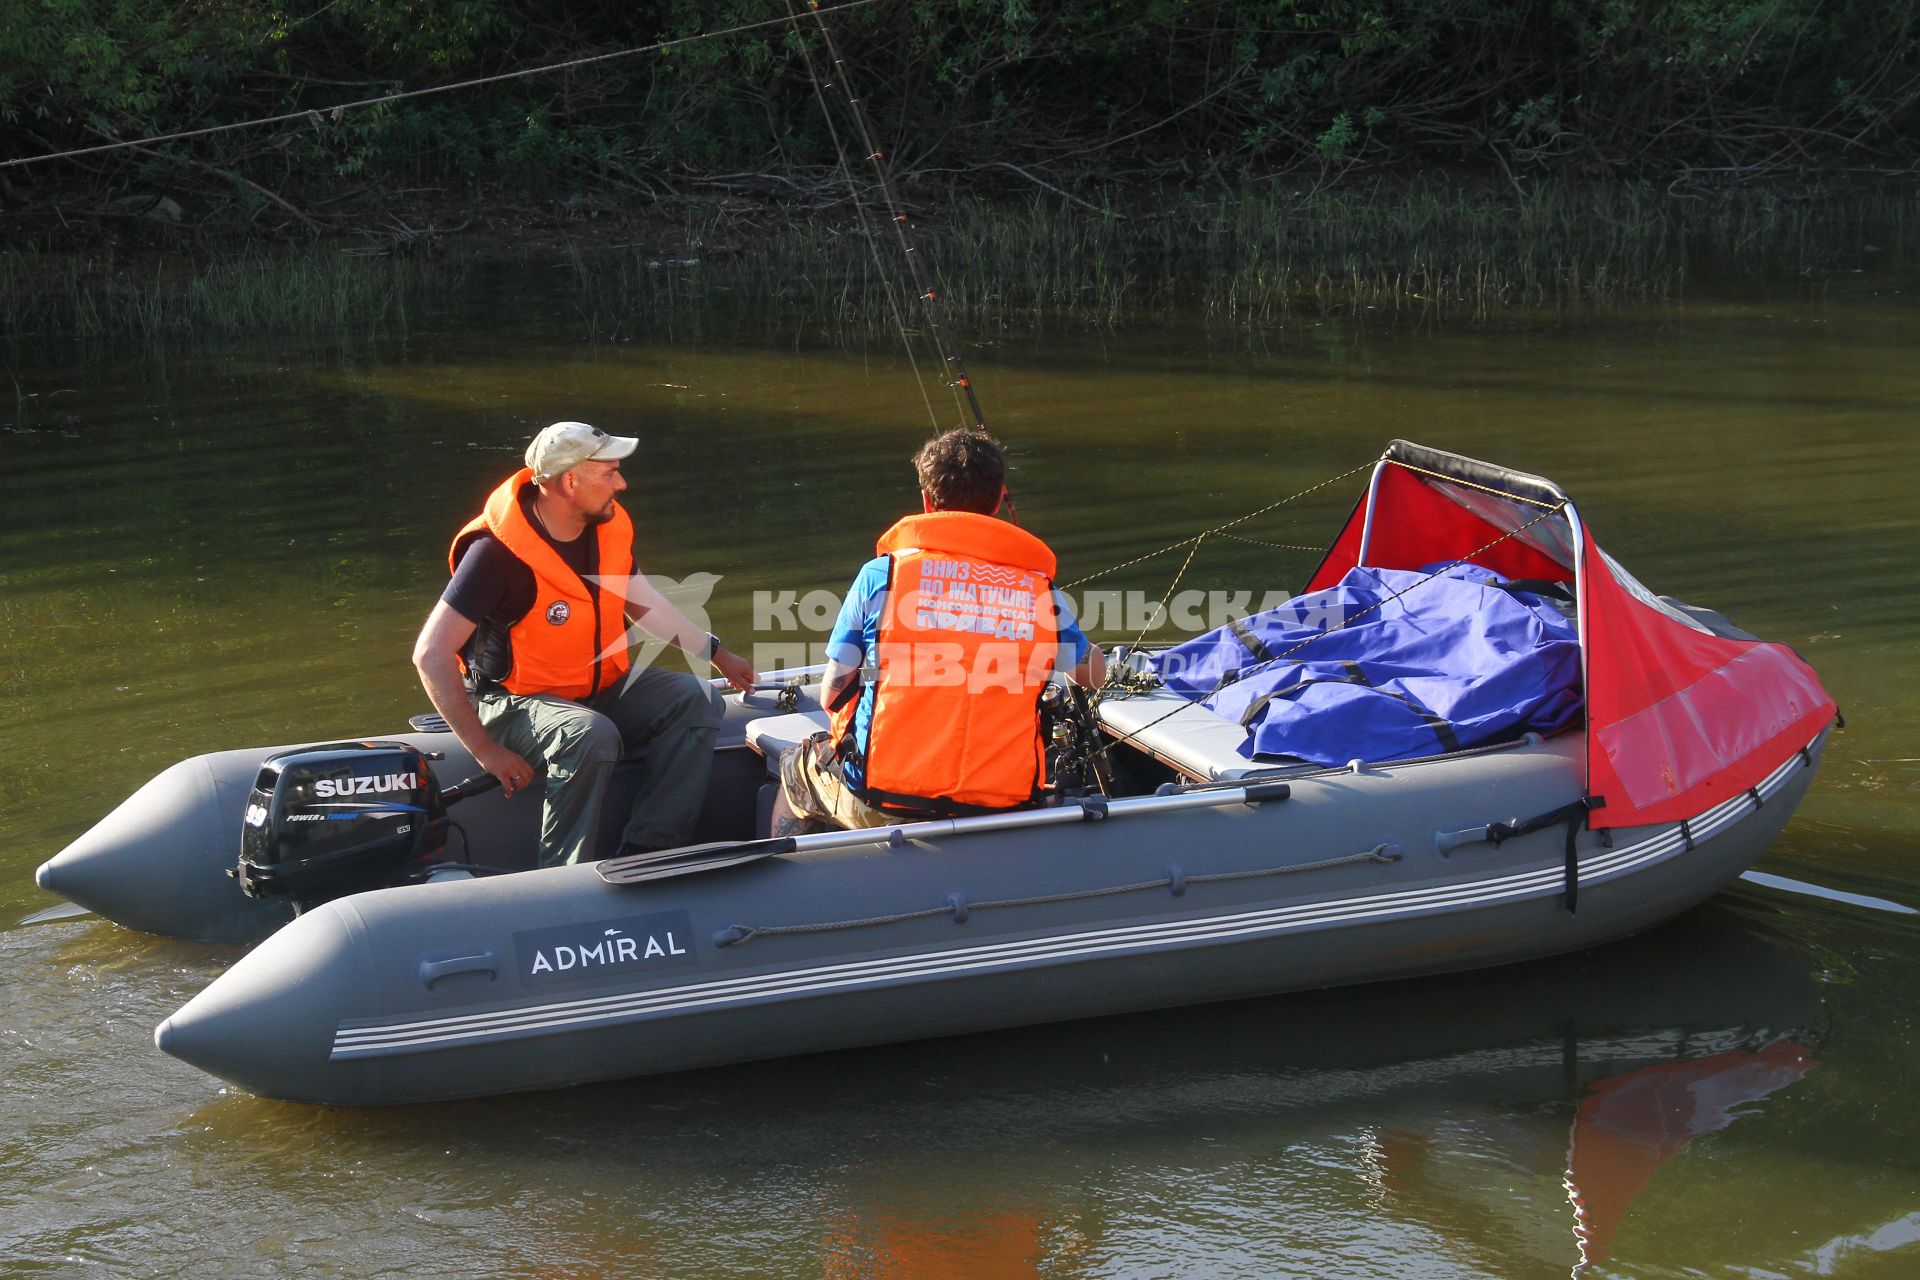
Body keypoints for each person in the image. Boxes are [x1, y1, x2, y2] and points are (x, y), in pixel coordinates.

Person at [413, 421, 757, 867]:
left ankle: (651, 848)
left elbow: (646, 606)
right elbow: (430, 654)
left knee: (697, 698)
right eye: (609, 473)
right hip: (516, 703)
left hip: (597, 690)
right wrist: (486, 750)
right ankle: (562, 875)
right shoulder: (494, 555)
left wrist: (718, 653)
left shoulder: (606, 528)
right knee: (589, 734)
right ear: (569, 482)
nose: (622, 483)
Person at [773, 428, 1105, 834]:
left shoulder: (881, 576)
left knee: (794, 768)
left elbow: (833, 693)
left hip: (885, 799)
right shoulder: (1039, 593)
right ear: (1000, 499)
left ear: (927, 502)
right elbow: (1094, 673)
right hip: (1004, 805)